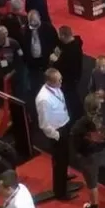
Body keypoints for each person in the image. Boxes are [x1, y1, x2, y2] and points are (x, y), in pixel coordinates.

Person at [71, 92, 105, 208]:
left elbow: (75, 139)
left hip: (89, 155)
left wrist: (80, 152)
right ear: (99, 105)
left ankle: (94, 205)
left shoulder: (81, 123)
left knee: (92, 181)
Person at [35, 68, 74, 201]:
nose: (61, 82)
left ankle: (64, 176)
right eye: (58, 81)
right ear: (50, 82)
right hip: (57, 133)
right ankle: (60, 192)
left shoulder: (56, 88)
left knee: (65, 157)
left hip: (64, 125)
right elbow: (44, 124)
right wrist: (57, 135)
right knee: (59, 162)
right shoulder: (43, 99)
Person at [52, 26, 85, 119]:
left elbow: (64, 66)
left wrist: (55, 61)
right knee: (72, 94)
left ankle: (78, 114)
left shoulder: (71, 51)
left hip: (69, 78)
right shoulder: (74, 44)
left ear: (63, 36)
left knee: (71, 95)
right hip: (73, 76)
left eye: (59, 35)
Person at [21, 10, 59, 83]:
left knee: (47, 78)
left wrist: (54, 54)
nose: (33, 23)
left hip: (46, 59)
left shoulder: (48, 28)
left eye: (35, 21)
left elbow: (56, 42)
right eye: (31, 21)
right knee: (33, 80)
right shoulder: (25, 29)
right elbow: (23, 44)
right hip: (31, 60)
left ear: (39, 17)